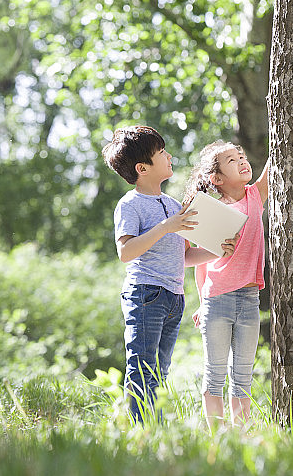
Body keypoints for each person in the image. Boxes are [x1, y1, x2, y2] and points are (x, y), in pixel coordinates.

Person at [102, 126, 235, 423]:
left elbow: (184, 256)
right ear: (143, 168)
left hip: (174, 298)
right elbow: (126, 252)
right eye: (162, 153)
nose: (169, 156)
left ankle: (154, 429)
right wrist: (166, 227)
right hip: (145, 294)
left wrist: (218, 251)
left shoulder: (174, 206)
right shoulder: (130, 204)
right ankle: (141, 431)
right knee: (142, 368)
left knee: (160, 371)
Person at [183, 140, 269, 431]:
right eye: (232, 160)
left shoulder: (255, 196)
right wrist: (201, 302)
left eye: (242, 156)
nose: (242, 161)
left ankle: (240, 434)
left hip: (249, 299)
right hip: (217, 300)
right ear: (217, 179)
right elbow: (200, 264)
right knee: (215, 374)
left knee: (243, 375)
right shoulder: (212, 211)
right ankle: (217, 436)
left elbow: (272, 166)